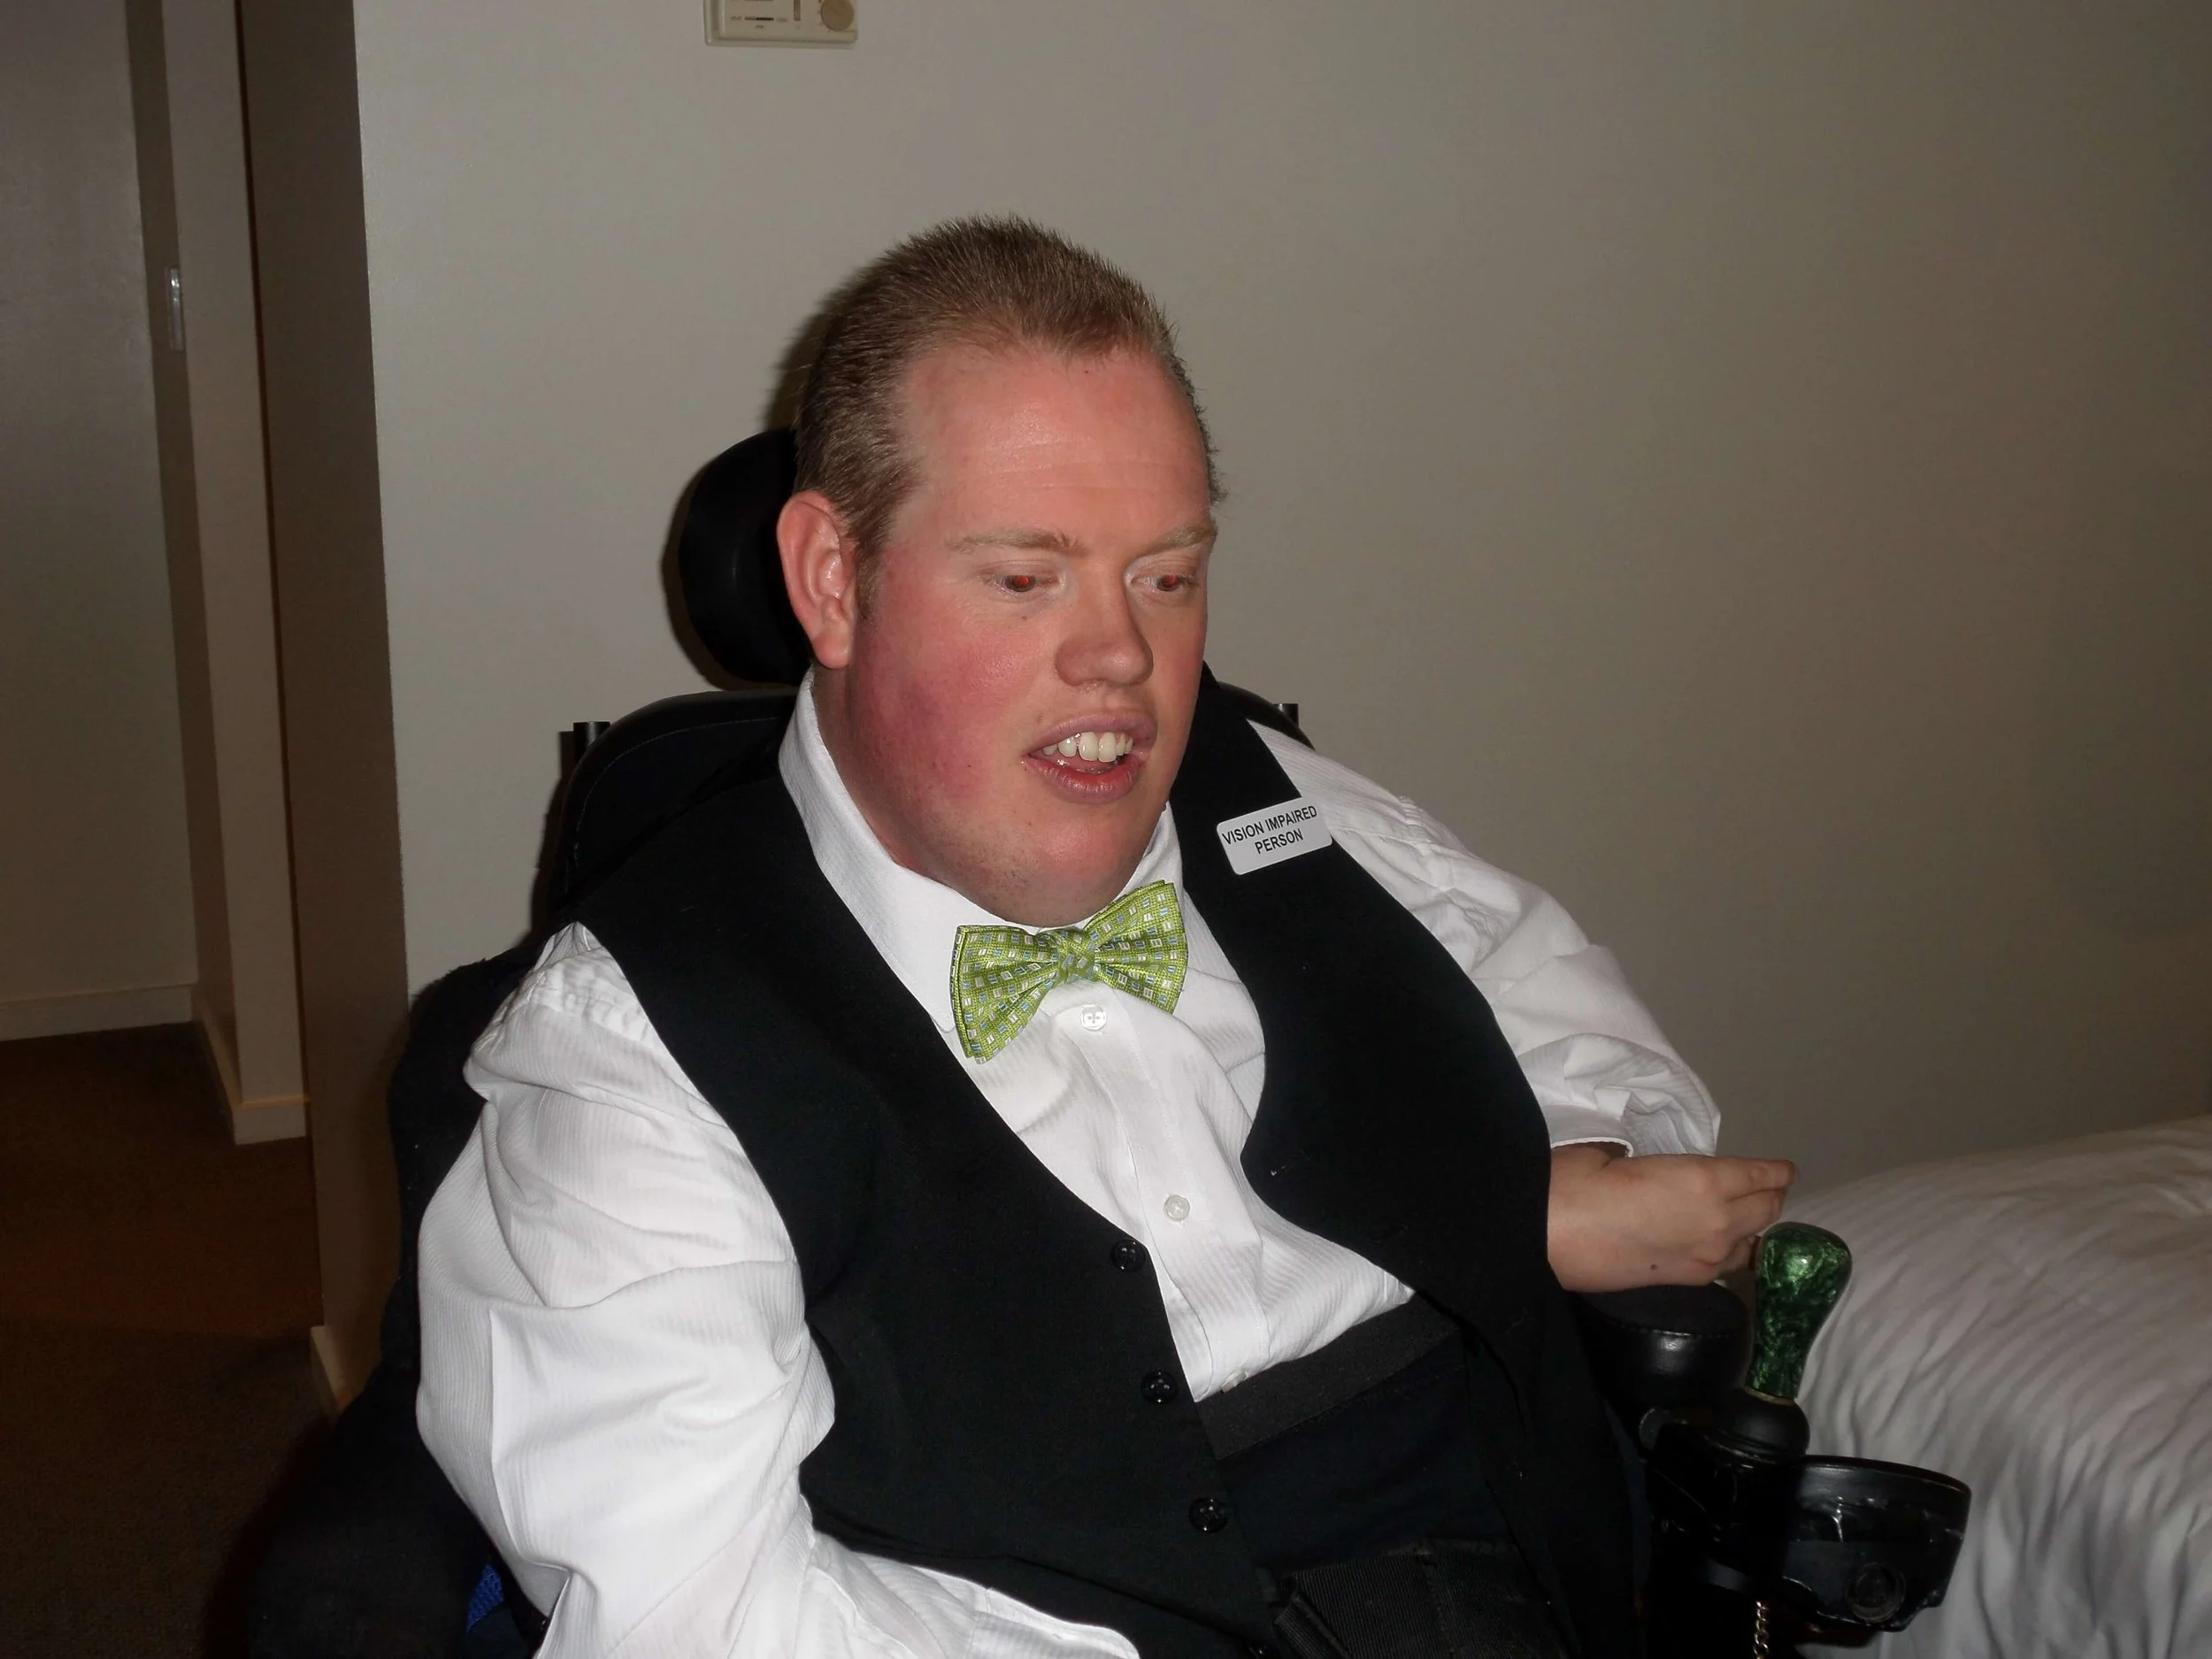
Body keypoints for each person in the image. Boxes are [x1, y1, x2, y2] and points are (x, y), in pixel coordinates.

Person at [417, 218, 1794, 1659]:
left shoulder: (1274, 794)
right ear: (833, 578)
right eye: (1027, 578)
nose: (1122, 658)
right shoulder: (630, 1053)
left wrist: (1534, 1180)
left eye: (1167, 574)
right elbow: (700, 1619)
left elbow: (1566, 1010)